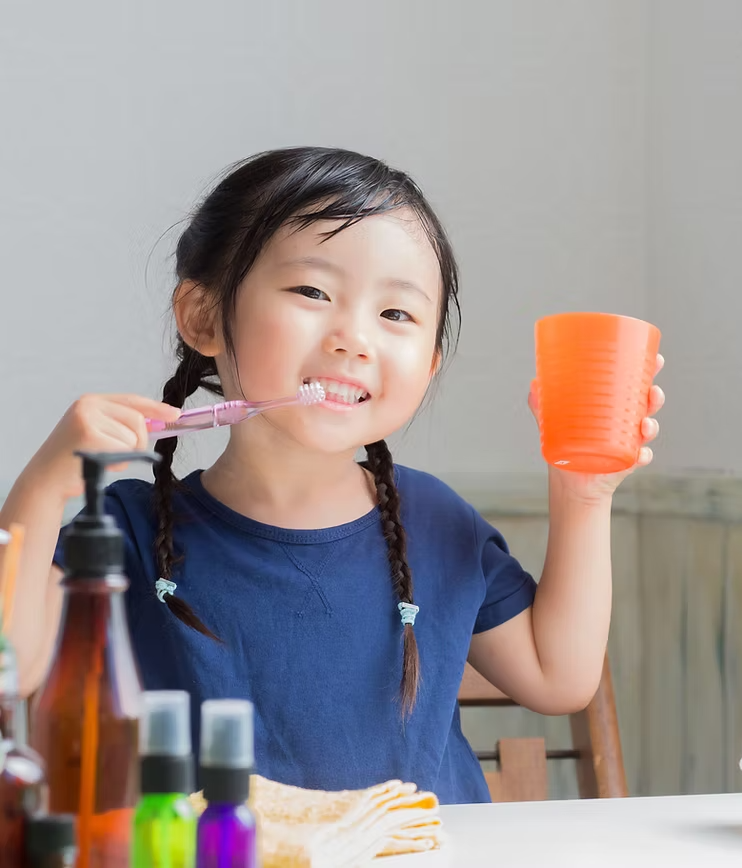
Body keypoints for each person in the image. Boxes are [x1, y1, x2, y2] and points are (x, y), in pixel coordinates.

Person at [0, 147, 664, 804]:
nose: (355, 337)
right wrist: (42, 486)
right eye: (312, 291)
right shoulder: (128, 529)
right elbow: (11, 669)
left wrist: (584, 493)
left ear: (429, 363)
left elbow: (558, 677)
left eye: (396, 314)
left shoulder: (434, 519)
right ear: (204, 317)